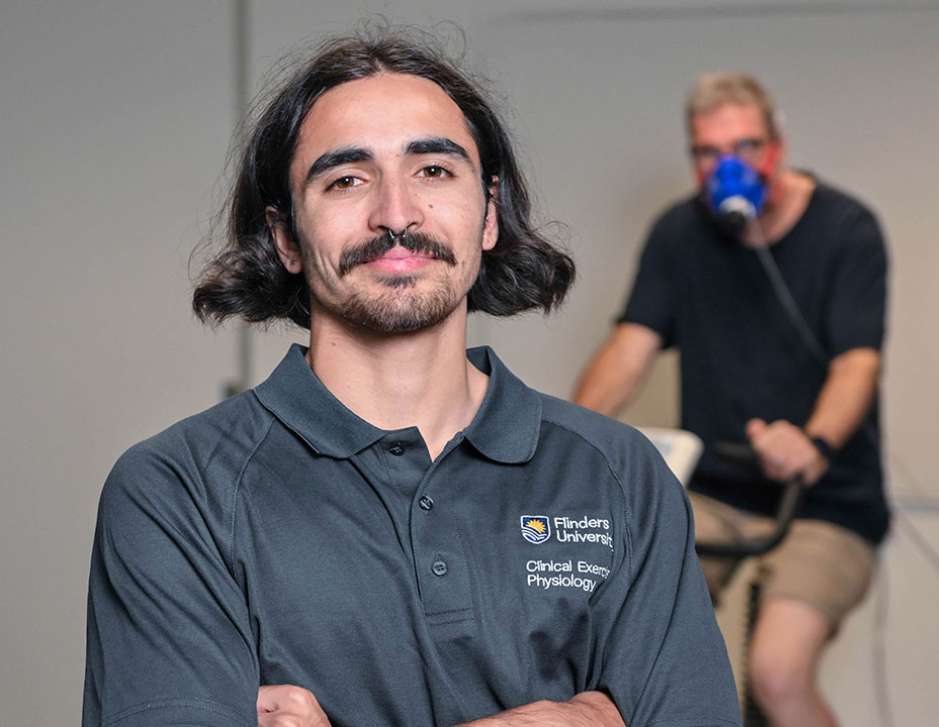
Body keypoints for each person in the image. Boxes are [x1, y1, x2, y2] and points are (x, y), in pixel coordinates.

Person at [82, 31, 741, 727]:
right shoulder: (175, 490)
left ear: (488, 213)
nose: (396, 214)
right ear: (285, 237)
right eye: (345, 179)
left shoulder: (617, 474)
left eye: (433, 170)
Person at [574, 72, 890, 727]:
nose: (727, 166)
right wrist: (568, 440)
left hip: (824, 502)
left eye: (743, 147)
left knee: (775, 672)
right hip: (710, 493)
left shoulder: (845, 229)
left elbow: (856, 364)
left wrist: (814, 444)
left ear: (776, 146)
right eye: (707, 151)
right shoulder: (677, 234)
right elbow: (629, 346)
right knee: (616, 651)